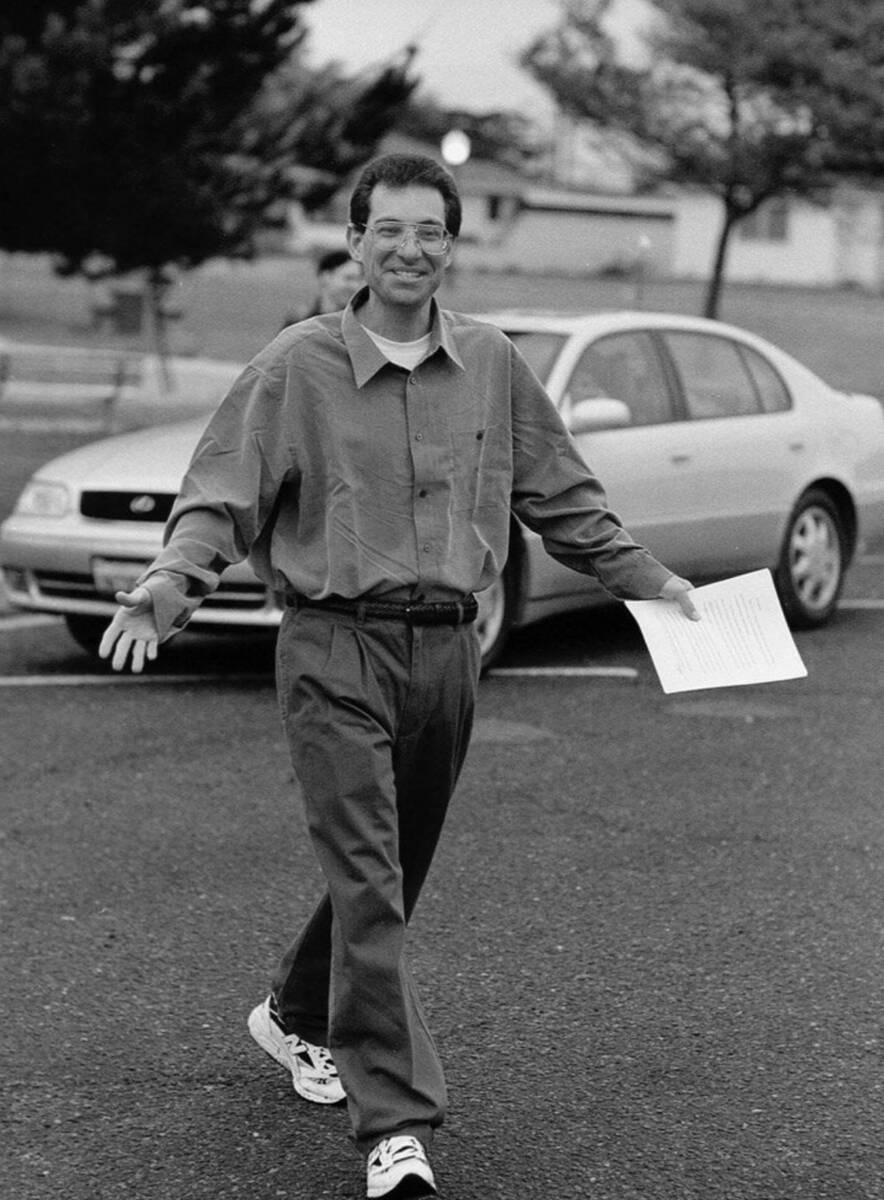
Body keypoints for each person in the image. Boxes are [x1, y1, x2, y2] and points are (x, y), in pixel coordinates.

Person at [98, 152, 699, 1200]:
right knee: (371, 885)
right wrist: (169, 582)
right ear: (356, 240)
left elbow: (560, 493)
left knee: (389, 876)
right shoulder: (298, 365)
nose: (410, 250)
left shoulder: (493, 363)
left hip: (448, 655)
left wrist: (647, 579)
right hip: (334, 647)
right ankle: (396, 1129)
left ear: (452, 245)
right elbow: (220, 494)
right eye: (389, 230)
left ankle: (291, 1016)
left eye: (430, 231)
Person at [279, 246, 363, 329]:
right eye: (349, 278)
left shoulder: (362, 325)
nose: (355, 286)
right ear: (326, 277)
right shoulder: (300, 323)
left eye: (358, 279)